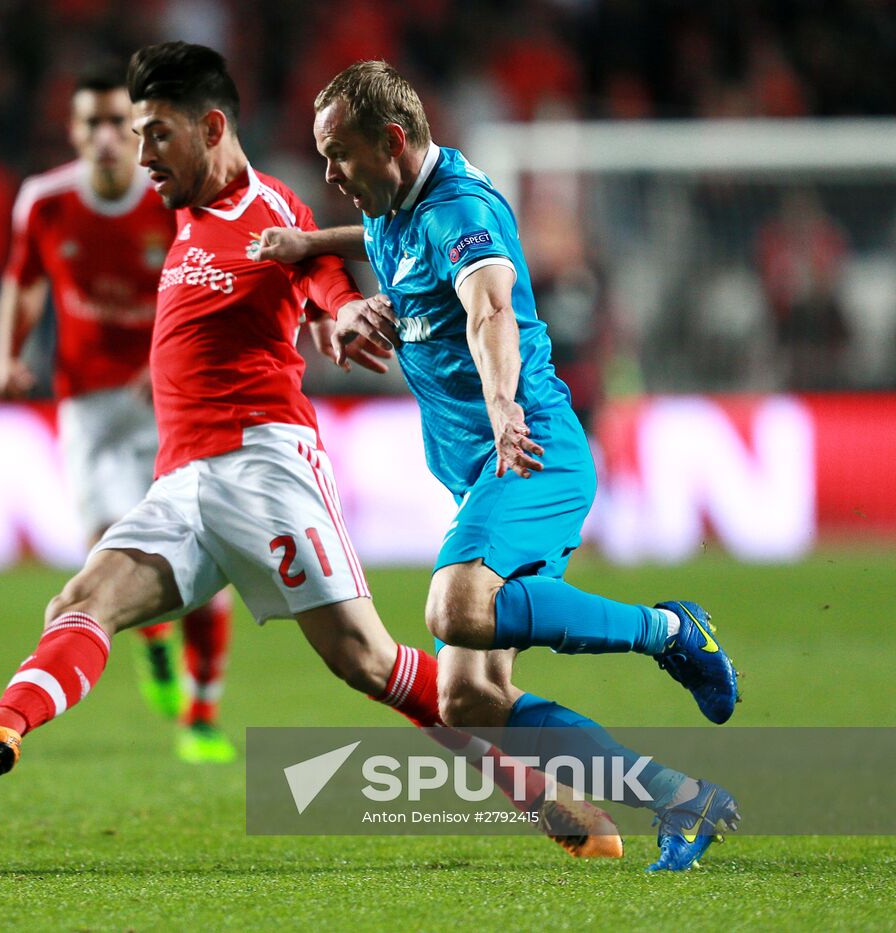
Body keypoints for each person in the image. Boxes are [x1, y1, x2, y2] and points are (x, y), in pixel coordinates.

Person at [0, 42, 621, 860]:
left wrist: (339, 315)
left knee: (369, 662)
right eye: (133, 132)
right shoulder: (188, 220)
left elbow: (324, 274)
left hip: (265, 466)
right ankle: (0, 724)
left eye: (156, 134)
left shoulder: (269, 209)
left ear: (212, 126)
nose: (140, 152)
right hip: (184, 474)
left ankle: (547, 789)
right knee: (80, 601)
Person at [256, 60, 741, 871]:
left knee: (455, 604)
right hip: (479, 474)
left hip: (532, 453)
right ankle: (681, 798)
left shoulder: (463, 212)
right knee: (468, 694)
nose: (330, 173)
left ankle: (668, 629)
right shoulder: (398, 197)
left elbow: (488, 308)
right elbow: (386, 239)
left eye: (338, 154)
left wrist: (504, 406)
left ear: (394, 140)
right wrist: (314, 244)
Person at [0, 63, 237, 763]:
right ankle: (154, 645)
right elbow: (24, 282)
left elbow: (214, 289)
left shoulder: (172, 197)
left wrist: (162, 366)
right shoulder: (44, 200)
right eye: (90, 123)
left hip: (174, 401)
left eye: (116, 123)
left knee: (203, 561)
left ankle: (201, 712)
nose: (104, 136)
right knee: (109, 552)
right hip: (89, 406)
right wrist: (7, 353)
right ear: (72, 132)